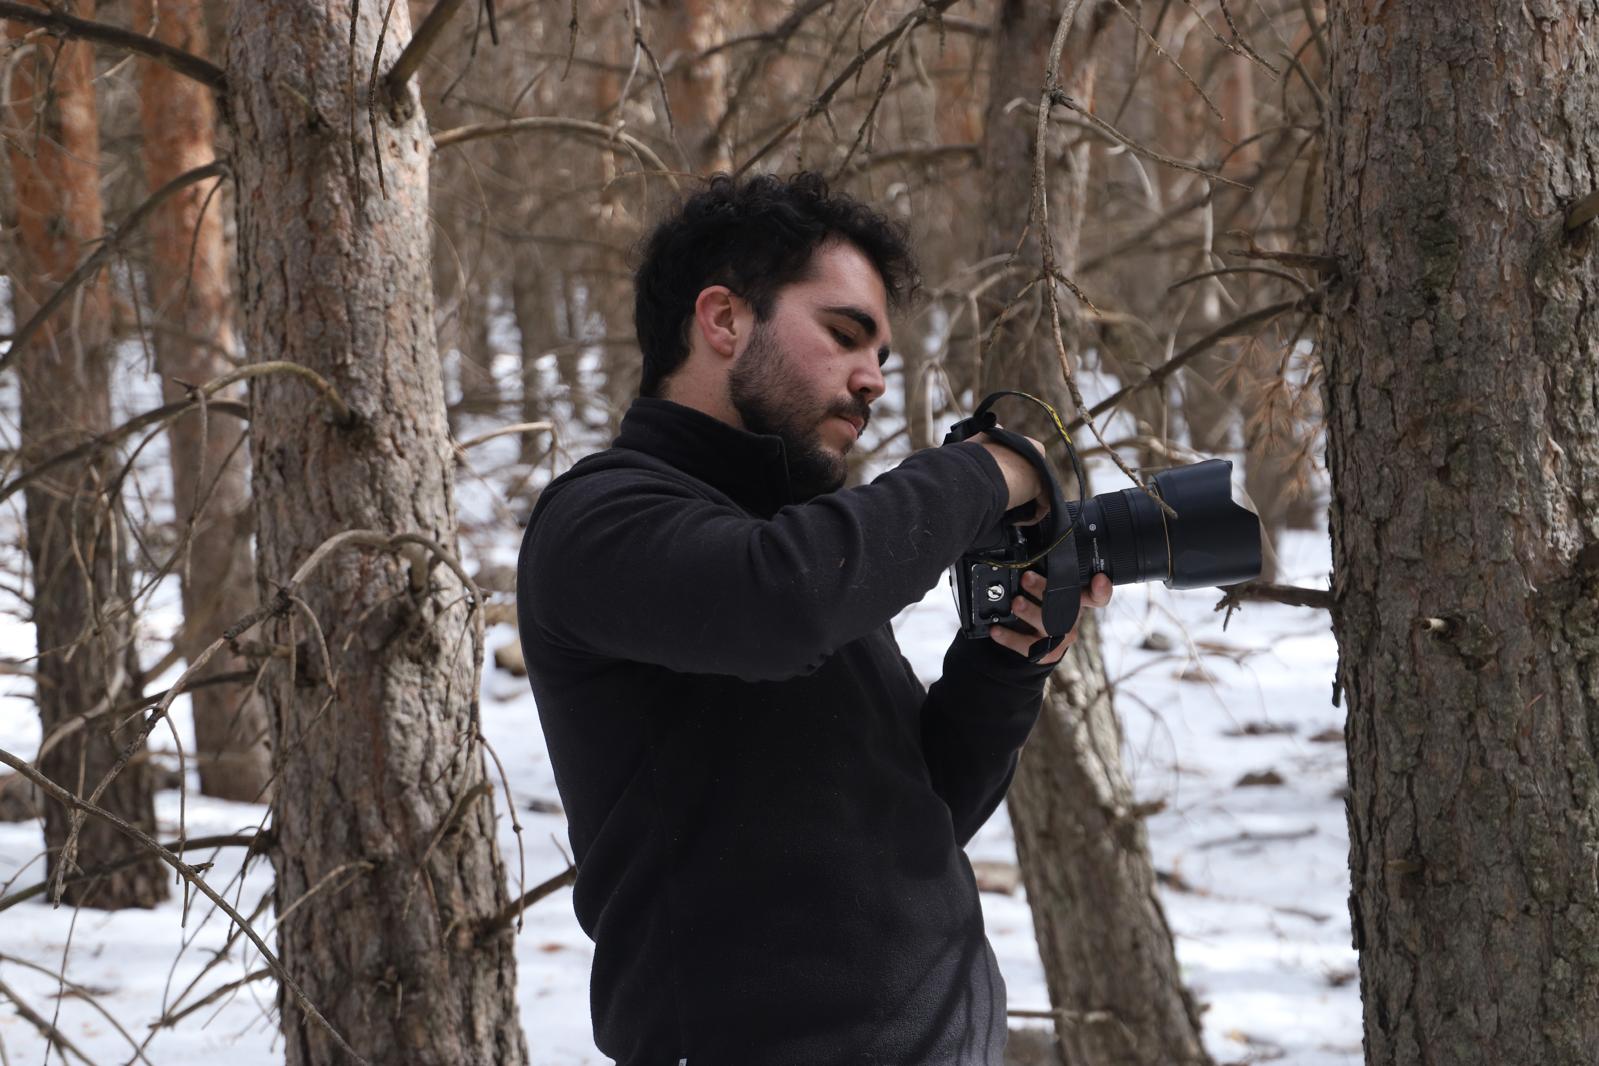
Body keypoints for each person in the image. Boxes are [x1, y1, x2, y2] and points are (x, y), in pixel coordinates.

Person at [516, 172, 1113, 1066]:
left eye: (879, 352)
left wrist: (1002, 665)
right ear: (722, 320)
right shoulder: (602, 521)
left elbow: (922, 816)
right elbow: (781, 603)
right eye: (843, 335)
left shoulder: (796, 546)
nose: (872, 379)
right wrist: (993, 470)